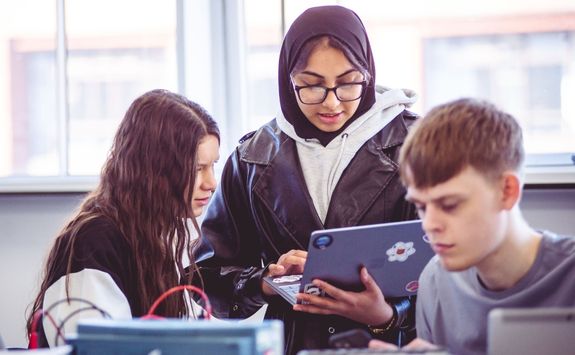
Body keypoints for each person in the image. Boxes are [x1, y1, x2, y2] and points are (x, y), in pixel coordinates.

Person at [194, 5, 419, 354]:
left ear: (368, 74)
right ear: (288, 80)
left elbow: (450, 276)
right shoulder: (252, 157)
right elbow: (206, 280)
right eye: (311, 86)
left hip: (387, 346)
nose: (332, 103)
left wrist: (389, 314)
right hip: (294, 346)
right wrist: (265, 282)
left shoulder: (414, 145)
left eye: (348, 84)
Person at [369, 98, 575, 354]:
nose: (429, 225)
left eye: (450, 204)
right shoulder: (435, 282)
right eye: (422, 206)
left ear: (507, 191)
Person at [26, 89, 220, 348]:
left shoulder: (157, 235)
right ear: (154, 169)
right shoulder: (94, 243)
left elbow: (192, 334)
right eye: (197, 169)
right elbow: (97, 349)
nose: (211, 183)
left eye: (213, 165)